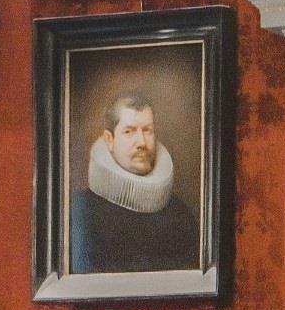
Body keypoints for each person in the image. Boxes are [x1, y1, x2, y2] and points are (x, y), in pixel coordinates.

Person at [69, 91, 200, 274]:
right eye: (129, 131)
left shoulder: (180, 216)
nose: (142, 142)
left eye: (147, 130)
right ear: (109, 140)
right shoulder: (80, 210)